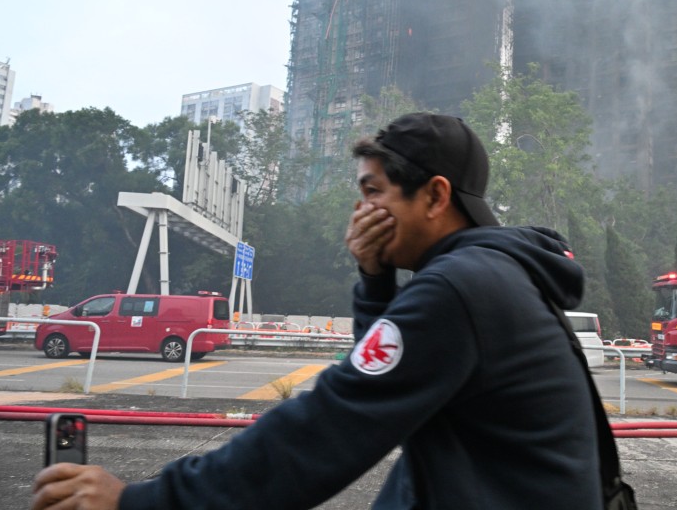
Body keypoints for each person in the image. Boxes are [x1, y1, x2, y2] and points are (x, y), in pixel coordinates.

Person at [31, 112, 601, 509]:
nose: (362, 209)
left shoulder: (458, 289)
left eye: (375, 190)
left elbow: (323, 431)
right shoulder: (495, 273)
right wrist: (375, 279)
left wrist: (140, 500)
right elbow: (383, 378)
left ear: (435, 196)